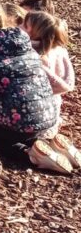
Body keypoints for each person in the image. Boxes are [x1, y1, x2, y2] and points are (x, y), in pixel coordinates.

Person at [0, 2, 70, 174]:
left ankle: (30, 155)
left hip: (20, 123)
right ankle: (55, 146)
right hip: (49, 118)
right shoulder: (23, 44)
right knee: (22, 128)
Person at [24, 11, 79, 167]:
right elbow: (68, 83)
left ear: (34, 31)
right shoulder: (60, 50)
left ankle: (41, 154)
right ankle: (61, 148)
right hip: (53, 115)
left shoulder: (30, 53)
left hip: (31, 118)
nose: (19, 26)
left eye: (24, 25)